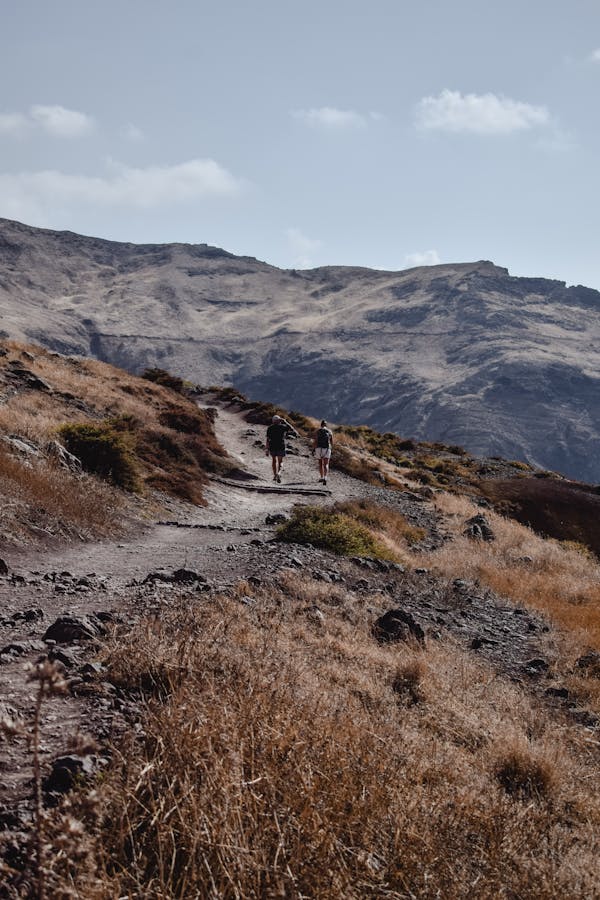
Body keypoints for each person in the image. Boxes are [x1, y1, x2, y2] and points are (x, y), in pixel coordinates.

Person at [266, 414, 298, 483]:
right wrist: (285, 421)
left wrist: (267, 449)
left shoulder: (270, 428)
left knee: (274, 460)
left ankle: (275, 475)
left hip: (272, 446)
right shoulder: (282, 427)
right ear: (279, 421)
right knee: (280, 461)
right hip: (281, 445)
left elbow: (268, 439)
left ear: (273, 421)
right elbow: (292, 429)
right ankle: (279, 473)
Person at [312, 419, 333, 485]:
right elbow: (332, 441)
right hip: (327, 448)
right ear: (326, 425)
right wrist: (331, 448)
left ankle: (321, 477)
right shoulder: (329, 431)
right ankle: (325, 477)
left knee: (320, 463)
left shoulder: (318, 431)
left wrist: (314, 449)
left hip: (319, 448)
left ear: (321, 424)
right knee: (326, 464)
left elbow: (315, 441)